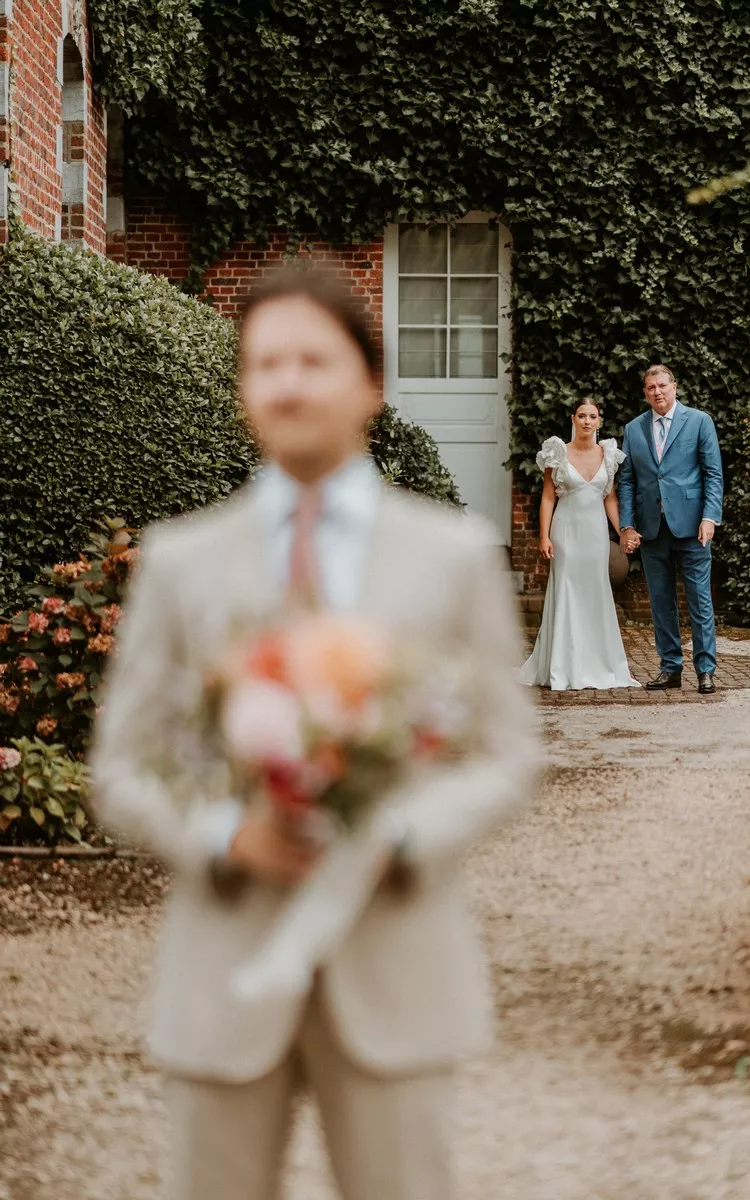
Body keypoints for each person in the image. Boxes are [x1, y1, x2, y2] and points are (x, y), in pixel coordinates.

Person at [90, 268, 538, 1200]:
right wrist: (223, 836)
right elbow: (124, 770)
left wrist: (401, 832)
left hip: (398, 968)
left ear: (371, 383)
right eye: (264, 365)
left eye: (312, 361)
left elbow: (505, 754)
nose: (287, 384)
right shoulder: (181, 561)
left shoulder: (451, 557)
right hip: (225, 969)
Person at [518, 397, 640, 691]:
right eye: (582, 415)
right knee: (567, 593)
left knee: (595, 593)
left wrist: (622, 530)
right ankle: (563, 666)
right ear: (573, 418)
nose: (587, 421)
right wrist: (544, 535)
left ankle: (598, 664)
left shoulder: (608, 454)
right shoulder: (557, 453)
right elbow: (548, 497)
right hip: (566, 533)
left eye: (593, 416)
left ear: (600, 421)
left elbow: (609, 497)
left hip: (596, 536)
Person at [617, 364, 723, 695]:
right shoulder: (633, 429)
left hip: (693, 526)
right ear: (645, 392)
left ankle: (706, 670)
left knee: (700, 601)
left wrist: (710, 517)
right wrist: (627, 524)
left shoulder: (699, 421)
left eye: (662, 385)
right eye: (651, 388)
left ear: (674, 387)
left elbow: (713, 473)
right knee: (661, 601)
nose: (657, 392)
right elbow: (627, 480)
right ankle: (670, 667)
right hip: (651, 529)